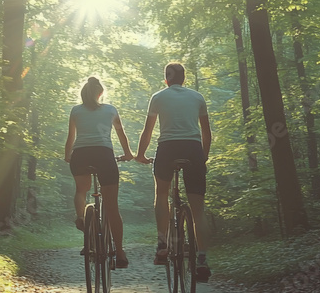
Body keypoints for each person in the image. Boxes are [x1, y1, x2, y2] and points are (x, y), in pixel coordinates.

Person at [136, 62, 212, 281]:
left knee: (161, 194)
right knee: (198, 210)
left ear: (166, 79)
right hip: (193, 149)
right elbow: (207, 134)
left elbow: (147, 131)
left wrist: (140, 155)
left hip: (167, 149)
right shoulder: (197, 97)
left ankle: (162, 245)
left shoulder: (158, 97)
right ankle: (202, 259)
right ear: (184, 78)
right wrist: (203, 158)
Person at [65, 76, 134, 268]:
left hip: (80, 155)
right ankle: (119, 253)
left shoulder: (76, 110)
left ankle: (81, 217)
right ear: (101, 92)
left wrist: (67, 155)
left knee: (81, 190)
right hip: (104, 155)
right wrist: (128, 154)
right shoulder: (110, 110)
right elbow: (121, 135)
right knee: (112, 207)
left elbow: (71, 137)